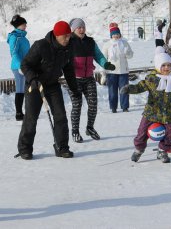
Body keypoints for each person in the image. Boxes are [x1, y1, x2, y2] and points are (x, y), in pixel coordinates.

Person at [17, 21, 79, 160]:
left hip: (52, 85)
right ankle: (25, 148)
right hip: (35, 85)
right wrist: (32, 79)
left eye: (69, 36)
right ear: (57, 35)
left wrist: (74, 89)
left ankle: (61, 147)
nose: (68, 39)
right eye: (65, 36)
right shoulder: (41, 45)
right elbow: (25, 64)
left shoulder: (69, 47)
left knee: (60, 116)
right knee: (31, 118)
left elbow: (69, 70)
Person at [120, 52, 171, 163]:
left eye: (169, 65)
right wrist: (129, 89)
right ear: (158, 66)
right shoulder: (152, 79)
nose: (166, 68)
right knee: (141, 132)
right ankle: (139, 149)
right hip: (151, 112)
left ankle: (162, 151)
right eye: (163, 65)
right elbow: (140, 87)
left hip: (167, 113)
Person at [68, 18, 115, 143]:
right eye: (79, 27)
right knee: (77, 106)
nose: (82, 29)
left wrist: (105, 64)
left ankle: (90, 128)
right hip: (74, 80)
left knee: (93, 105)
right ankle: (75, 131)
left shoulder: (90, 42)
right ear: (73, 29)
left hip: (89, 78)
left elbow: (98, 55)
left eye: (83, 27)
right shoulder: (69, 42)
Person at [102, 24, 133, 113]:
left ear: (120, 34)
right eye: (114, 34)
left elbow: (130, 55)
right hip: (111, 72)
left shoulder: (124, 43)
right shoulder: (107, 45)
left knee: (124, 89)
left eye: (117, 34)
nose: (116, 36)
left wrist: (127, 52)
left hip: (123, 71)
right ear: (111, 35)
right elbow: (103, 58)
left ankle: (125, 107)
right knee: (112, 91)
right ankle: (113, 107)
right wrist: (103, 72)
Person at [7, 15, 30, 121]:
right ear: (18, 25)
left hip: (26, 66)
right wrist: (20, 66)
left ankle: (27, 110)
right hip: (18, 67)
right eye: (24, 24)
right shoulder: (14, 37)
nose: (26, 25)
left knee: (26, 89)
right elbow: (14, 53)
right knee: (20, 89)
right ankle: (19, 113)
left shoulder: (23, 37)